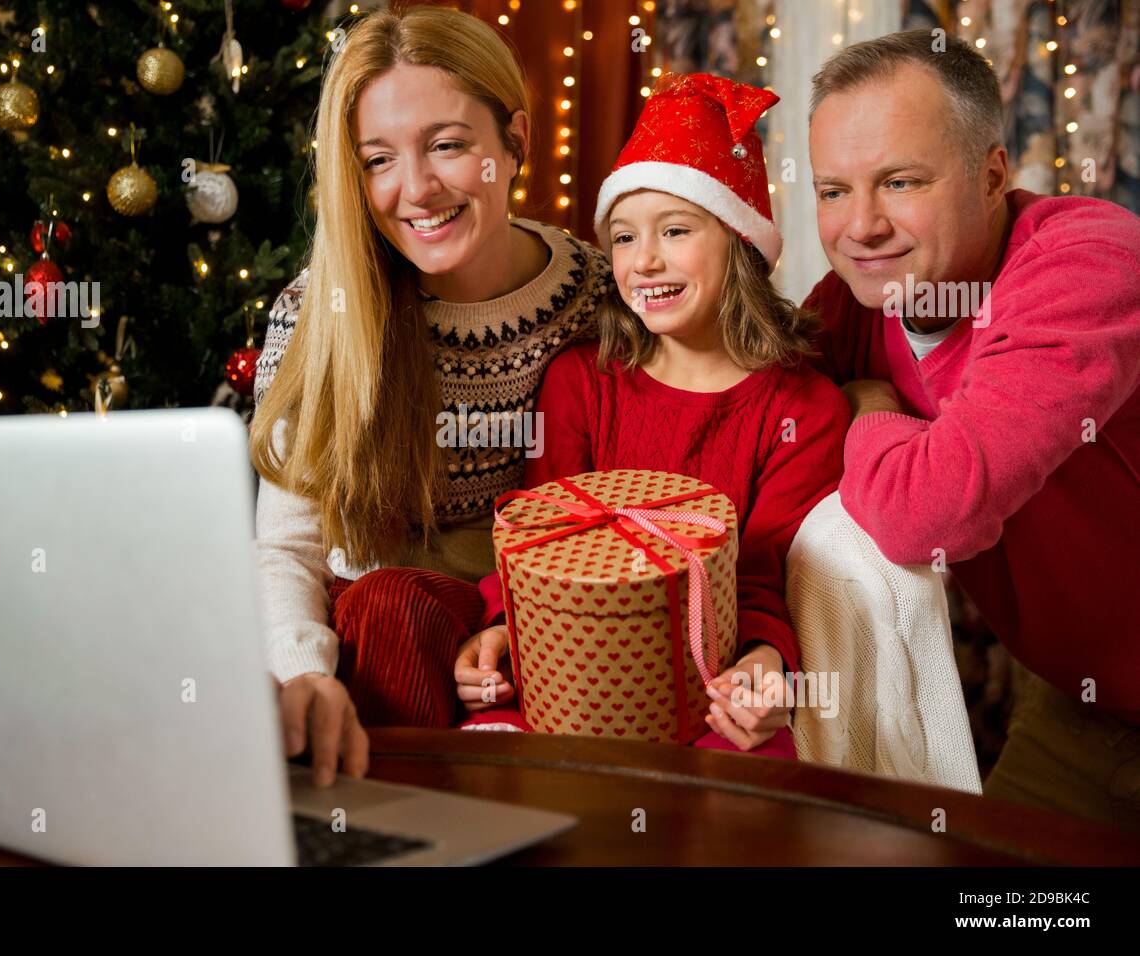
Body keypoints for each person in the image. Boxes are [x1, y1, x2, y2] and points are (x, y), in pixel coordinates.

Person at [248, 5, 612, 785]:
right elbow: (287, 546)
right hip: (373, 642)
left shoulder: (599, 299)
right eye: (378, 160)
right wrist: (302, 673)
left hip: (525, 629)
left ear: (514, 142)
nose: (414, 189)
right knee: (387, 603)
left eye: (447, 145)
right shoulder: (321, 315)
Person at [454, 73, 851, 755]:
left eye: (675, 230)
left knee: (745, 781)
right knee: (494, 753)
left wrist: (765, 665)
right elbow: (536, 531)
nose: (646, 261)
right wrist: (502, 626)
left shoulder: (803, 409)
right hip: (566, 670)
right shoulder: (582, 381)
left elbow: (761, 575)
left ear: (740, 243)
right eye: (626, 238)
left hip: (709, 684)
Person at [804, 30, 1140, 829]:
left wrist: (871, 409)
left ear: (993, 175)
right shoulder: (855, 304)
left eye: (900, 181)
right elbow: (739, 413)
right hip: (1084, 710)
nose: (861, 226)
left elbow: (932, 511)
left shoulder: (1088, 264)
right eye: (831, 191)